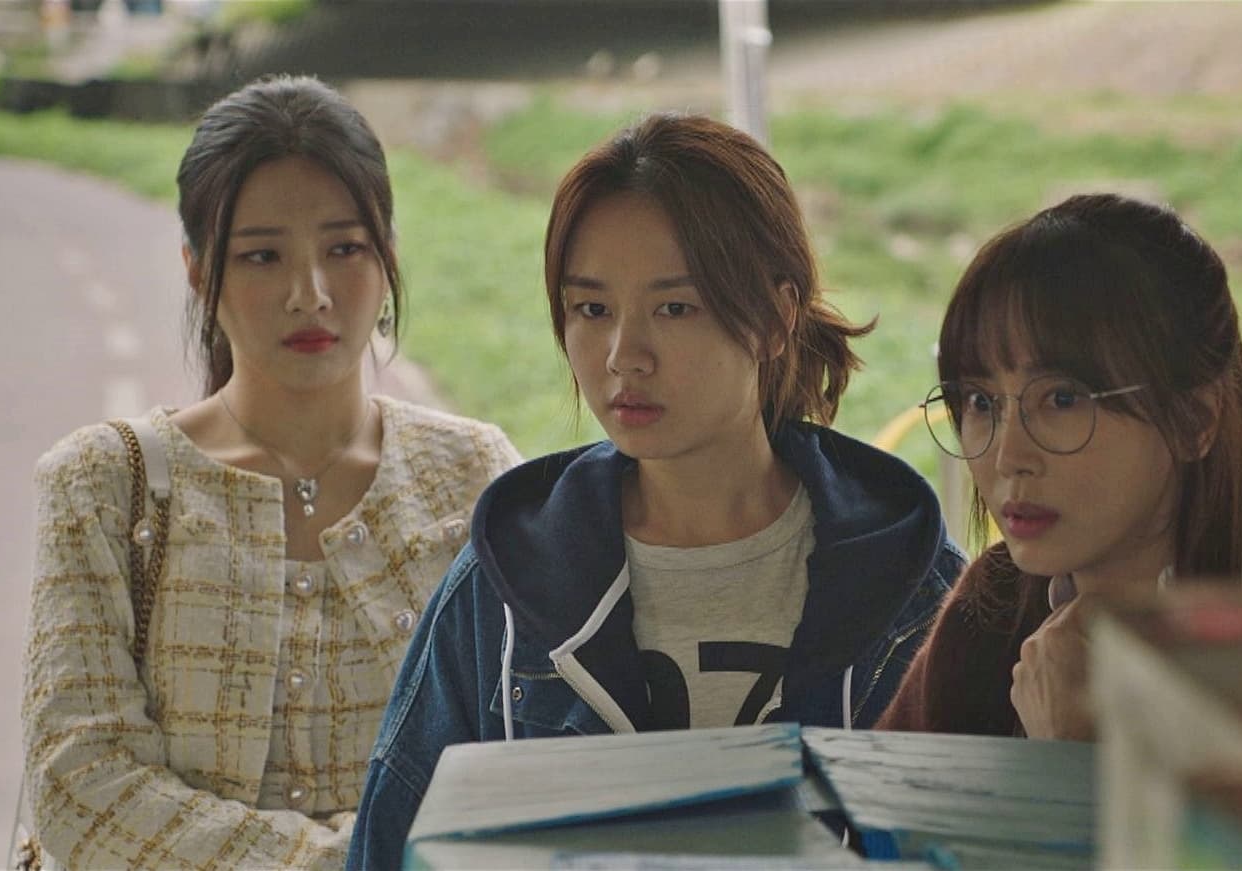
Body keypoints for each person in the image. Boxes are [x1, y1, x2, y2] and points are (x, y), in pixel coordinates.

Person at [347, 112, 963, 867]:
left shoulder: (912, 587)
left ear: (775, 318)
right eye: (592, 309)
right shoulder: (505, 588)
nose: (623, 355)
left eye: (675, 307)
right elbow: (390, 845)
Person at [18, 75, 520, 870]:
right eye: (262, 256)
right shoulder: (103, 485)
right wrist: (352, 859)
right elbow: (80, 785)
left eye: (344, 249)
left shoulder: (472, 477)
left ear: (388, 255)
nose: (308, 294)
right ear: (197, 269)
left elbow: (518, 751)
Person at [875, 193, 1242, 740]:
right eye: (980, 402)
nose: (1009, 457)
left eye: (1063, 400)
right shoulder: (992, 609)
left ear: (1195, 419)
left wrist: (1072, 755)